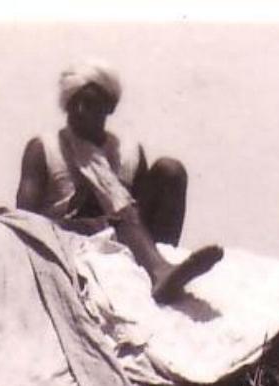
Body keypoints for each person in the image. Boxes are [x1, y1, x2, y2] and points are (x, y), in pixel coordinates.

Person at [15, 60, 224, 305]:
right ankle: (159, 271)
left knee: (170, 170)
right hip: (66, 236)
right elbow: (23, 223)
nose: (81, 111)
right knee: (121, 215)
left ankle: (163, 267)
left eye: (91, 104)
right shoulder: (45, 148)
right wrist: (88, 225)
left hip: (123, 235)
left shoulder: (128, 153)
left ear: (110, 107)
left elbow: (137, 214)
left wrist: (114, 220)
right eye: (75, 103)